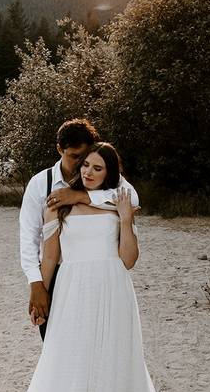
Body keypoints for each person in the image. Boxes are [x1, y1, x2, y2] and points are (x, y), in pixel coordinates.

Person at [13, 142, 181, 392]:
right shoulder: (58, 204)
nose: (88, 172)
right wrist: (39, 296)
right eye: (85, 165)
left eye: (97, 168)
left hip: (113, 289)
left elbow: (129, 260)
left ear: (110, 173)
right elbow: (49, 257)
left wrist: (124, 220)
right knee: (72, 360)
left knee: (111, 360)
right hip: (73, 290)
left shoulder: (119, 202)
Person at [19, 119, 138, 340]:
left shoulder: (102, 175)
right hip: (56, 276)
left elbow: (132, 199)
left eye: (84, 157)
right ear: (59, 150)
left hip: (103, 280)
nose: (81, 165)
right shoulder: (39, 184)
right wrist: (36, 284)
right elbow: (29, 238)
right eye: (75, 157)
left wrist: (81, 196)